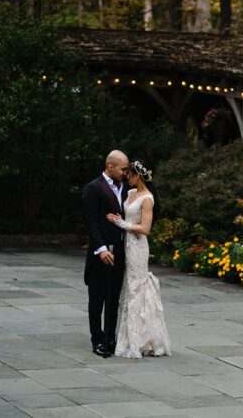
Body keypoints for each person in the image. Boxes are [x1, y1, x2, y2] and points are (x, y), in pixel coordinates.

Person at [106, 159, 172, 358]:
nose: (127, 177)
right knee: (128, 287)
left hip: (137, 247)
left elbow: (145, 229)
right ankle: (126, 336)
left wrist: (121, 224)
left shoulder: (147, 199)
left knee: (137, 287)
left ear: (138, 175)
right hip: (125, 245)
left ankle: (139, 339)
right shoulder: (130, 193)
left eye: (130, 174)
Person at [82, 150, 128, 358]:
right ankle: (97, 339)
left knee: (114, 296)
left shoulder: (126, 187)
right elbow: (91, 223)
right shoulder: (92, 188)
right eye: (123, 168)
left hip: (120, 250)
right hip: (100, 252)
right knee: (97, 298)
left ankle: (111, 336)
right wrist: (100, 249)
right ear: (110, 167)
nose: (126, 172)